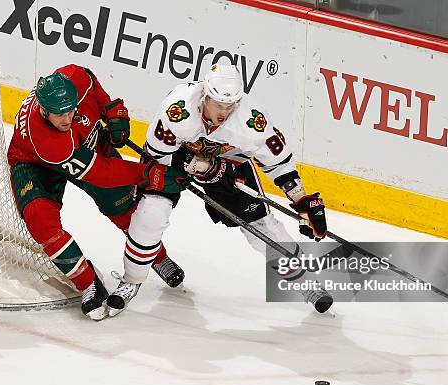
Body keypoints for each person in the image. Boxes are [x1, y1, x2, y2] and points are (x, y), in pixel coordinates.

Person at [107, 63, 328, 316]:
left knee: (263, 227)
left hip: (230, 165)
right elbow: (158, 155)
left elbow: (278, 161)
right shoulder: (178, 110)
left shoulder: (251, 120)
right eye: (218, 104)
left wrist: (302, 200)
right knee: (151, 215)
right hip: (174, 159)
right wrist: (186, 167)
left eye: (230, 105)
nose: (224, 112)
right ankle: (131, 281)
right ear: (204, 94)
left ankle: (305, 283)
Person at [7, 65, 187, 320]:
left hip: (84, 146)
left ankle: (157, 258)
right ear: (44, 111)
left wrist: (111, 111)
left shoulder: (75, 77)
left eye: (71, 111)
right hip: (34, 163)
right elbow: (101, 173)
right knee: (41, 222)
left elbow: (90, 79)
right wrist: (146, 174)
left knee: (126, 211)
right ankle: (87, 283)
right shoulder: (48, 142)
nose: (67, 119)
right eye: (59, 115)